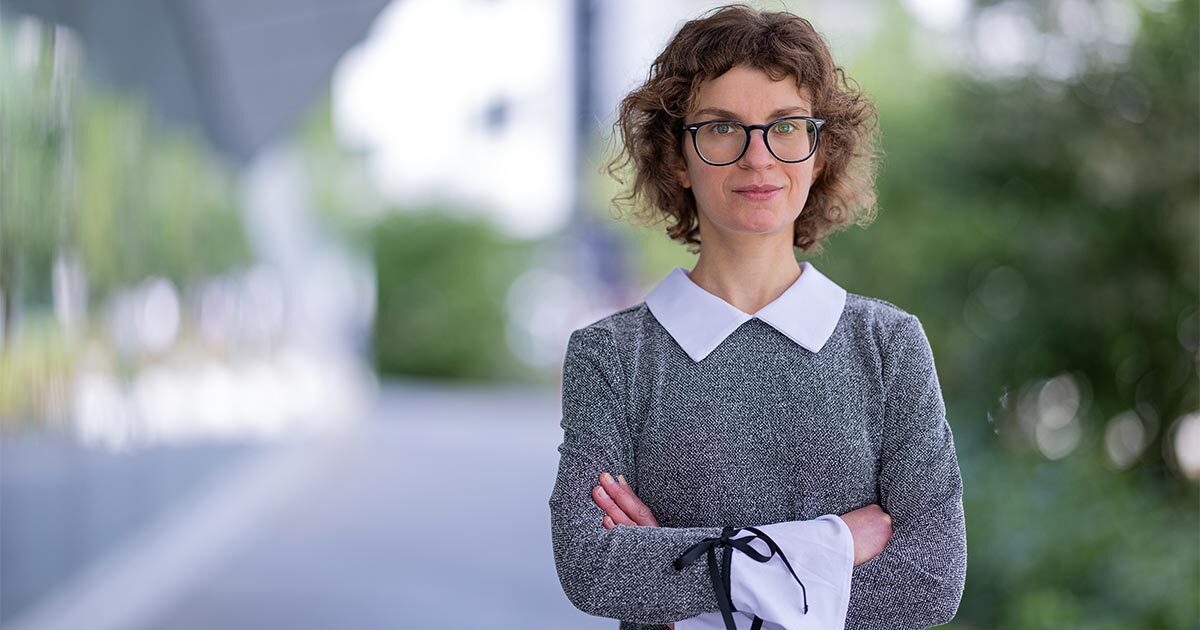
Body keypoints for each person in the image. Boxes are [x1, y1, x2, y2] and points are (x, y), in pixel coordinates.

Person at [548, 5, 967, 630]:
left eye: (786, 126)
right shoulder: (609, 355)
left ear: (819, 152)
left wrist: (683, 573)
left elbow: (930, 578)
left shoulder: (888, 344)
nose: (758, 157)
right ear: (676, 161)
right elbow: (591, 564)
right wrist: (832, 548)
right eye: (721, 129)